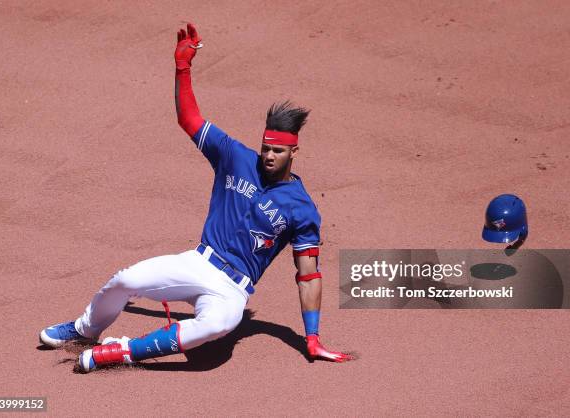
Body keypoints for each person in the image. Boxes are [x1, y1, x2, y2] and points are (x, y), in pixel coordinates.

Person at [39, 23, 351, 372]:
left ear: (294, 152)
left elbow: (308, 274)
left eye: (277, 151)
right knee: (126, 280)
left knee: (217, 325)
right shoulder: (235, 156)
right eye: (266, 148)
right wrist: (182, 68)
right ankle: (85, 330)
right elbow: (189, 119)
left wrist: (312, 337)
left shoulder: (303, 208)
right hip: (198, 262)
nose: (268, 156)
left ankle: (121, 352)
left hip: (233, 291)